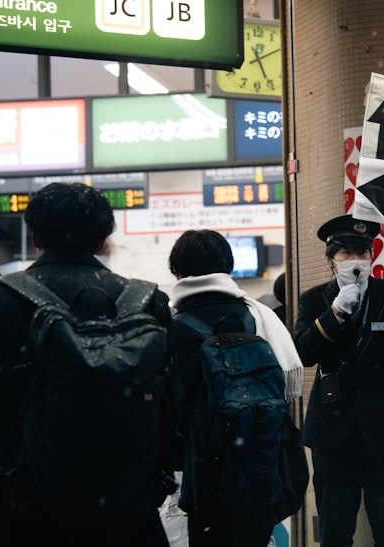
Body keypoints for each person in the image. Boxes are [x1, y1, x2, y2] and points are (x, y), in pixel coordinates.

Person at [0, 182, 177, 547]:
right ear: (103, 241)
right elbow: (171, 413)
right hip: (122, 510)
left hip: (15, 512)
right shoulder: (148, 302)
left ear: (35, 237)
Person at [293, 214, 384, 547]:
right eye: (346, 253)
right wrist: (335, 313)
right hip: (333, 433)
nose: (355, 260)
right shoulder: (314, 300)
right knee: (335, 530)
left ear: (372, 256)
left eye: (362, 252)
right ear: (330, 259)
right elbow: (303, 352)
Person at [168, 229, 304, 547]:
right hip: (261, 464)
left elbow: (173, 408)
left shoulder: (171, 329)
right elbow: (284, 390)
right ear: (227, 267)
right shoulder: (259, 317)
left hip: (204, 473)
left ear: (178, 271)